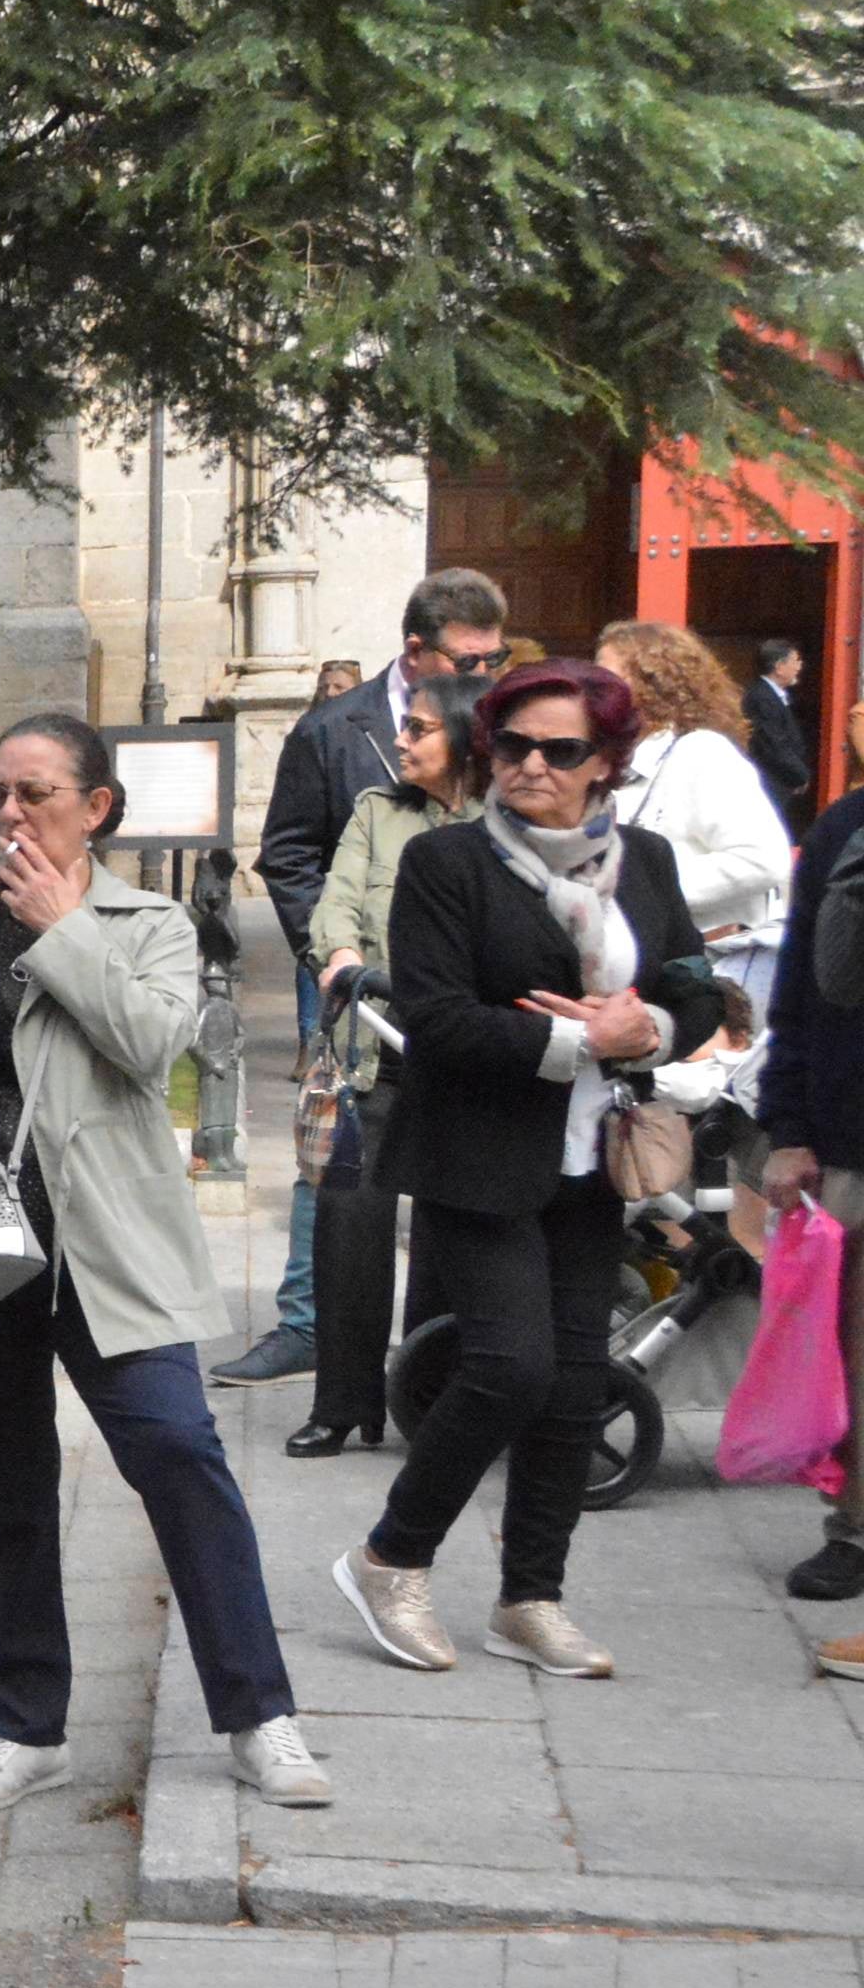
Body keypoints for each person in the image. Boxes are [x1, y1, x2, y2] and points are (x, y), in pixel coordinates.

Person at [0, 713, 334, 1816]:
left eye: (33, 794)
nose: (9, 813)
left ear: (94, 809)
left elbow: (149, 1044)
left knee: (179, 1457)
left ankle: (257, 1714)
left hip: (109, 1252)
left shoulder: (152, 927)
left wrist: (60, 929)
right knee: (5, 1491)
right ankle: (26, 1725)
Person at [334, 661, 725, 1678]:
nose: (530, 765)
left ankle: (530, 1598)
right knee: (510, 1365)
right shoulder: (446, 863)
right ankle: (390, 1558)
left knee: (574, 1383)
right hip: (473, 1153)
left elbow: (693, 987)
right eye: (511, 745)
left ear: (605, 763)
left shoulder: (642, 860)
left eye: (560, 749)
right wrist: (581, 1041)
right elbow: (434, 1018)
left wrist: (648, 1027)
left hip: (594, 1161)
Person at [236, 570, 516, 1385]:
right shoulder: (334, 730)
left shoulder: (501, 735)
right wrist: (330, 957)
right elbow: (289, 854)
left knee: (445, 1168)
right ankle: (309, 1327)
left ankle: (432, 1357)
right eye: (469, 660)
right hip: (350, 980)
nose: (485, 673)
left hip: (457, 1000)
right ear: (417, 650)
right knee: (335, 1164)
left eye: (495, 659)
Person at [287, 673, 493, 1458]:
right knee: (348, 1224)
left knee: (445, 1233)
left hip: (461, 1061)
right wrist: (341, 955)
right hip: (376, 1049)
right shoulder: (378, 811)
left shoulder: (502, 824)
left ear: (466, 739)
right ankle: (343, 1403)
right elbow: (335, 901)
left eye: (421, 729)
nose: (401, 740)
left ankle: (428, 1399)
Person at [759, 753, 864, 1626]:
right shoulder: (845, 829)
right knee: (858, 1345)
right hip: (853, 1126)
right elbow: (797, 993)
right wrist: (788, 1128)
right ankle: (856, 1526)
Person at [595, 618, 796, 1009]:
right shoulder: (615, 762)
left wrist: (647, 893)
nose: (593, 690)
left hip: (704, 976)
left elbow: (763, 859)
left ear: (655, 683)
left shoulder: (701, 752)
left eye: (608, 678)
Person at [749, 636, 817, 832]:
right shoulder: (762, 697)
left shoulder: (773, 695)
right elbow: (774, 742)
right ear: (779, 667)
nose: (799, 667)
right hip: (770, 780)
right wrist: (799, 774)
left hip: (780, 780)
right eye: (795, 661)